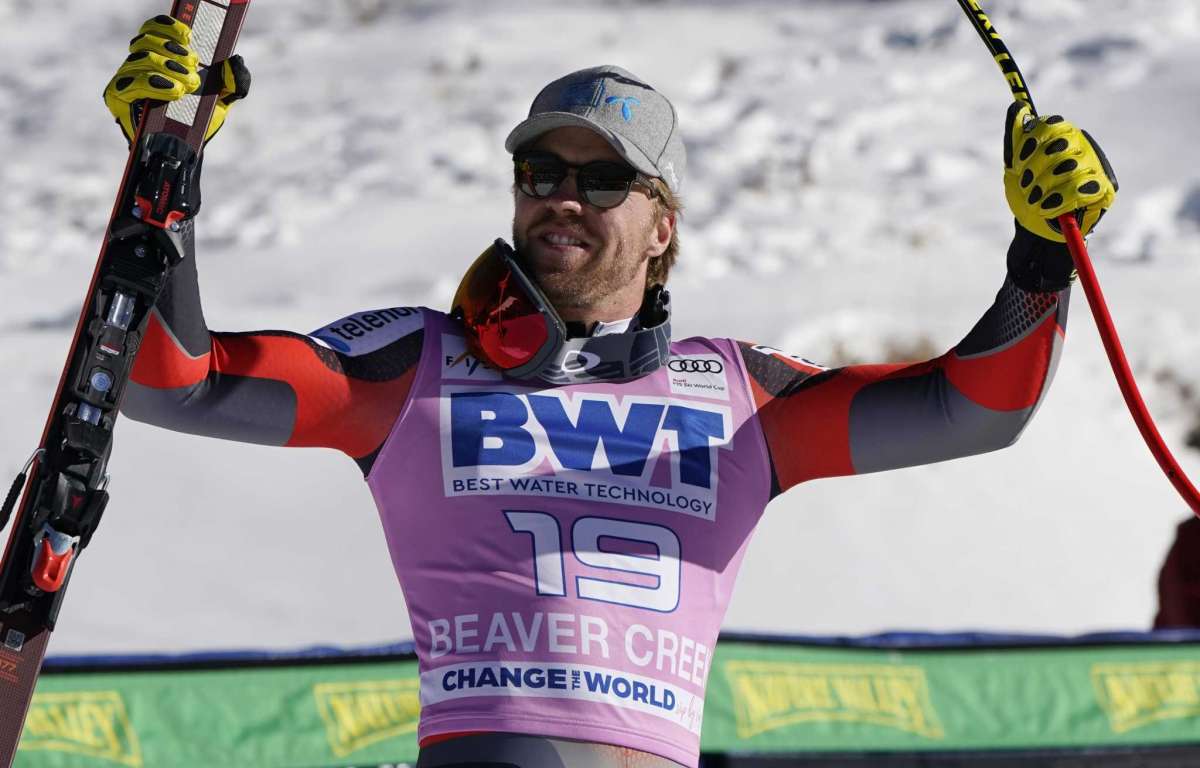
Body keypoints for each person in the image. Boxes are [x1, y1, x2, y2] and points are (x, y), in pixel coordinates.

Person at [104, 15, 1117, 768]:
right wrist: (162, 177)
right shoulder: (415, 364)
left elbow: (975, 410)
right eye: (541, 171)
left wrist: (1040, 258)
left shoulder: (741, 395)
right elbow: (178, 385)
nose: (564, 198)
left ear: (662, 224)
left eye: (602, 180)